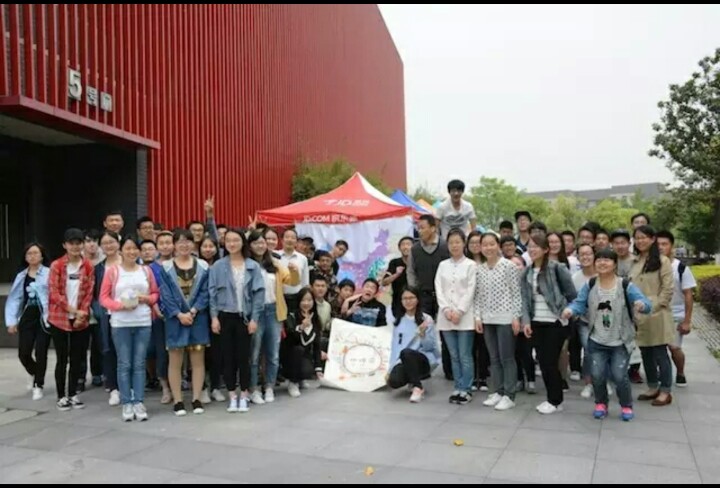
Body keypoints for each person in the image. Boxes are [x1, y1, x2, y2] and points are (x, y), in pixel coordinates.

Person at [563, 248, 652, 421]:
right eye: (599, 260)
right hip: (596, 340)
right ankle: (601, 403)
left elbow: (646, 303)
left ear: (614, 264)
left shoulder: (625, 285)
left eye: (607, 260)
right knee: (597, 375)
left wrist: (641, 304)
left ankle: (626, 405)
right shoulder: (590, 285)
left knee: (619, 376)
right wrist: (570, 310)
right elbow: (579, 303)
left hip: (620, 341)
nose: (602, 263)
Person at [100, 236, 160, 422]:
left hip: (143, 321)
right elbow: (103, 298)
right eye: (128, 248)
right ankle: (127, 402)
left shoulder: (146, 270)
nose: (132, 252)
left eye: (135, 249)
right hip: (121, 323)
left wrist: (146, 299)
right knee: (124, 364)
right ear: (121, 250)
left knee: (139, 363)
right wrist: (120, 306)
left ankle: (139, 401)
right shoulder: (113, 271)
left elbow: (155, 294)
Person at [208, 228, 264, 414]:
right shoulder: (218, 266)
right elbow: (212, 293)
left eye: (236, 240)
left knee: (244, 357)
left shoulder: (252, 266)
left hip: (245, 317)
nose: (232, 244)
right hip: (224, 316)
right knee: (227, 357)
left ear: (242, 242)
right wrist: (214, 317)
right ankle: (232, 394)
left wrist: (254, 319)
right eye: (228, 241)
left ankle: (245, 394)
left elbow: (258, 295)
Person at [520, 234, 577, 415]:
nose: (532, 249)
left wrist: (567, 312)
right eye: (530, 246)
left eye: (536, 246)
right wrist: (526, 322)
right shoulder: (527, 272)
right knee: (543, 361)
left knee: (549, 361)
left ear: (546, 249)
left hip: (556, 322)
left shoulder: (557, 268)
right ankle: (554, 399)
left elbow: (572, 295)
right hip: (537, 322)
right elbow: (525, 301)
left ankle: (555, 400)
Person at [160, 229, 212, 416]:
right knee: (175, 361)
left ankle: (196, 398)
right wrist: (178, 314)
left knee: (198, 360)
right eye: (180, 242)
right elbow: (165, 294)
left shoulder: (203, 266)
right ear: (174, 245)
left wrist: (194, 309)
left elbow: (206, 292)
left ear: (193, 244)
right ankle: (178, 400)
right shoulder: (166, 267)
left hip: (198, 318)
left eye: (188, 241)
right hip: (175, 320)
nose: (184, 245)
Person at [246, 230, 300, 405]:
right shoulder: (246, 264)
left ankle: (269, 386)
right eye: (256, 243)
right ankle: (253, 388)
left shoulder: (275, 264)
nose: (260, 246)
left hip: (273, 311)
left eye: (262, 242)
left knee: (273, 353)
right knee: (254, 354)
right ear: (250, 245)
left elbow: (292, 281)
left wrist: (294, 271)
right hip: (255, 313)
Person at [48, 228, 96, 411]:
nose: (75, 247)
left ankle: (73, 393)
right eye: (71, 243)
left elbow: (89, 293)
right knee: (62, 358)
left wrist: (80, 314)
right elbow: (54, 293)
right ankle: (61, 396)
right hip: (59, 317)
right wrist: (73, 311)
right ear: (64, 245)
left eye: (78, 243)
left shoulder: (88, 266)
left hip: (80, 318)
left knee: (77, 358)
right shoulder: (57, 265)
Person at [474, 233, 522, 412]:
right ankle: (498, 391)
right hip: (487, 319)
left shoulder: (508, 266)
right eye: (485, 245)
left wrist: (516, 316)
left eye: (491, 244)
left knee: (507, 357)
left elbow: (516, 293)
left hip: (505, 318)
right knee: (493, 358)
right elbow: (477, 296)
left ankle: (509, 395)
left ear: (498, 246)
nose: (488, 248)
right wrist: (477, 317)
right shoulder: (480, 269)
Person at [629, 226, 675, 407]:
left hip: (657, 314)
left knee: (660, 353)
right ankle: (653, 386)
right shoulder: (635, 261)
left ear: (652, 239)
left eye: (644, 237)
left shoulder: (663, 261)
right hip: (639, 314)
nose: (640, 241)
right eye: (637, 238)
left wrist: (653, 306)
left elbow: (668, 289)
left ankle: (665, 391)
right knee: (645, 353)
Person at [406, 214, 452, 379]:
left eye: (423, 227)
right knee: (423, 332)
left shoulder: (445, 246)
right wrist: (414, 291)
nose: (419, 231)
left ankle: (449, 369)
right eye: (418, 228)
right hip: (423, 296)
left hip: (444, 297)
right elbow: (411, 271)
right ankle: (423, 369)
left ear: (433, 228)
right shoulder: (415, 249)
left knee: (446, 333)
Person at [435, 229, 477, 405]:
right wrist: (446, 309)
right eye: (451, 242)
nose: (454, 245)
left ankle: (466, 388)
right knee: (453, 354)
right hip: (446, 317)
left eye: (457, 242)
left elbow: (470, 290)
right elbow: (438, 287)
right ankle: (458, 387)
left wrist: (459, 311)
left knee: (465, 354)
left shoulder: (471, 265)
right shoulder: (442, 265)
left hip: (464, 317)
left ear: (464, 243)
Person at [5, 243, 51, 401]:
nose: (32, 256)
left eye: (36, 253)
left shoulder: (49, 273)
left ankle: (38, 385)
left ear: (42, 256)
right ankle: (34, 373)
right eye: (29, 253)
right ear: (25, 257)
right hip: (27, 317)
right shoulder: (21, 276)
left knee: (41, 352)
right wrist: (11, 321)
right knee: (23, 353)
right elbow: (15, 299)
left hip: (44, 317)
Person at [657, 230, 696, 388]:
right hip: (657, 314)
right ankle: (663, 374)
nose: (660, 247)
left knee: (674, 348)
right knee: (658, 349)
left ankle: (680, 372)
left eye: (664, 244)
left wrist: (687, 320)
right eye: (657, 244)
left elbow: (688, 295)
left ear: (671, 246)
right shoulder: (652, 266)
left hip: (675, 314)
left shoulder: (680, 268)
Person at [388, 287, 440, 403]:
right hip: (404, 359)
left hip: (423, 359)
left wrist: (423, 334)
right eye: (405, 298)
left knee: (406, 353)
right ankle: (412, 379)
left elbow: (430, 347)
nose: (408, 301)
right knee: (394, 381)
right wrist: (391, 367)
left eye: (411, 298)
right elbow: (395, 347)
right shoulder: (398, 320)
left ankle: (418, 387)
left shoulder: (426, 319)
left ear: (417, 299)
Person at [143, 240, 173, 404]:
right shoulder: (149, 269)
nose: (165, 246)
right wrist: (156, 308)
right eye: (161, 243)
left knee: (176, 352)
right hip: (158, 315)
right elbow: (150, 290)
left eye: (168, 243)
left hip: (178, 314)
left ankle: (177, 383)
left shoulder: (178, 263)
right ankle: (165, 387)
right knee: (161, 352)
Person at [282, 287, 323, 398]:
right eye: (303, 300)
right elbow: (289, 339)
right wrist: (301, 327)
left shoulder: (315, 319)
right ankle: (293, 382)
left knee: (308, 369)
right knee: (298, 349)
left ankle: (300, 379)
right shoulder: (292, 316)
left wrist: (318, 368)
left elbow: (316, 345)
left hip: (304, 356)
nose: (306, 303)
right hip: (289, 356)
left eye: (309, 300)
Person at [571, 243, 598, 399]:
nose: (586, 257)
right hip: (584, 321)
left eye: (589, 253)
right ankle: (588, 383)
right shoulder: (575, 278)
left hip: (605, 321)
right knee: (589, 350)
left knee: (604, 352)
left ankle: (603, 381)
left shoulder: (603, 273)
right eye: (582, 254)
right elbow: (573, 300)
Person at [466, 231, 490, 392]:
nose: (475, 245)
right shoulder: (465, 262)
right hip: (468, 308)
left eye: (478, 242)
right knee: (471, 345)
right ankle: (473, 376)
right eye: (472, 242)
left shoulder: (489, 262)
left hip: (486, 308)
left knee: (484, 344)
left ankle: (483, 376)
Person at [80, 230, 104, 389]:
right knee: (80, 343)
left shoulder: (105, 261)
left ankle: (97, 373)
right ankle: (80, 377)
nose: (92, 244)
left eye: (95, 241)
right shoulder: (77, 261)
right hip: (80, 307)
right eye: (88, 241)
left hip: (100, 306)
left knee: (98, 342)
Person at [278, 229, 310, 312]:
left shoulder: (302, 258)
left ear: (296, 242)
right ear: (282, 240)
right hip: (278, 297)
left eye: (293, 238)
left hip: (296, 298)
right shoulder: (275, 256)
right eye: (287, 237)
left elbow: (305, 282)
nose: (290, 240)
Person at [382, 236, 413, 321]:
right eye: (403, 244)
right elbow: (384, 282)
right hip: (398, 302)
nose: (405, 247)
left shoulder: (418, 262)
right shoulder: (394, 262)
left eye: (408, 244)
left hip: (416, 301)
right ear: (399, 248)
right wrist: (396, 274)